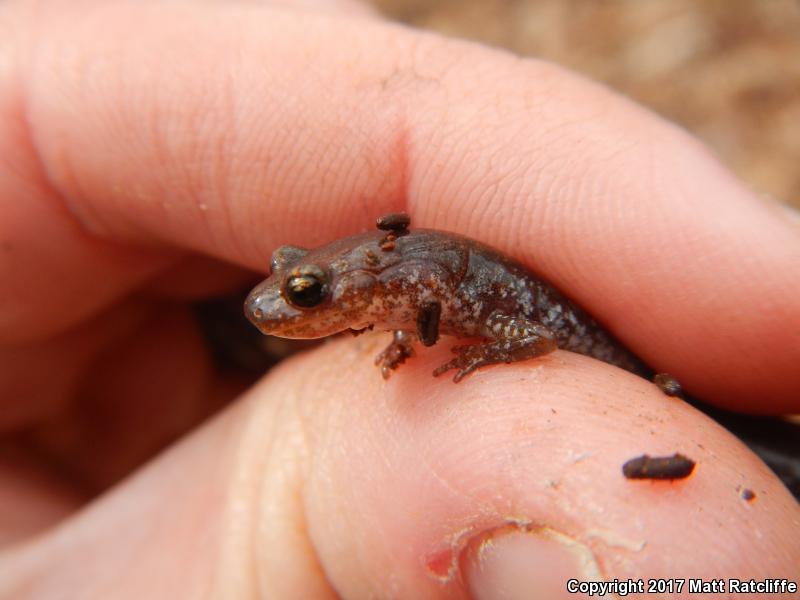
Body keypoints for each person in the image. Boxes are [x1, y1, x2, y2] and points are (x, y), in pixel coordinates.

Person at [1, 0, 798, 597]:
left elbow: (538, 340)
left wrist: (482, 353)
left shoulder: (446, 290)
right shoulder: (417, 287)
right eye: (291, 279)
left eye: (306, 290)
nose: (281, 302)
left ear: (385, 284)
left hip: (662, 387)